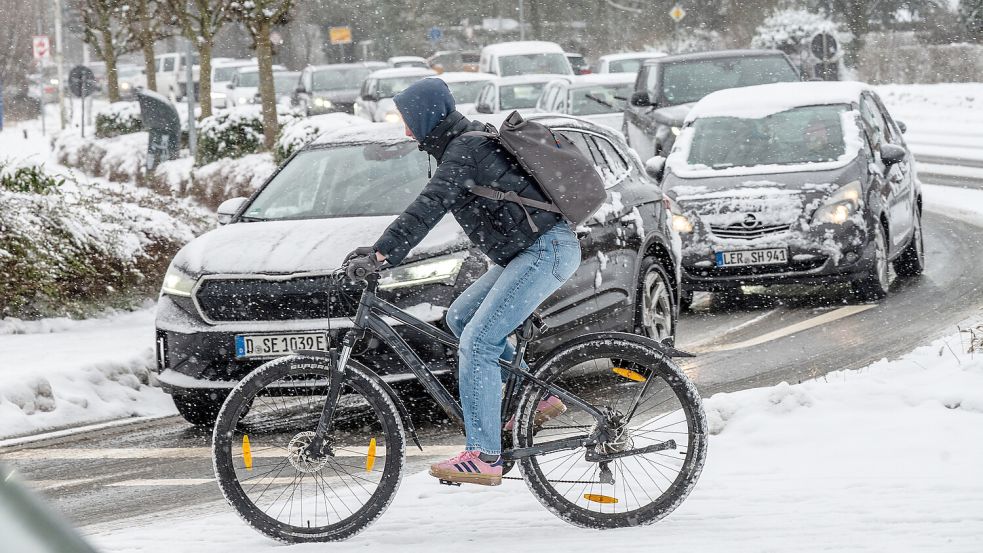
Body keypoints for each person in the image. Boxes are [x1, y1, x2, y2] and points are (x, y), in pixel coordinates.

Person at [344, 78, 582, 486]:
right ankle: (536, 398)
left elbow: (429, 204)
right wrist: (381, 249)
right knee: (461, 316)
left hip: (545, 251)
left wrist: (382, 253)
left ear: (426, 116)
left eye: (408, 121)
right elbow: (432, 203)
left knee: (480, 341)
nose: (405, 131)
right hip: (531, 251)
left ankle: (484, 455)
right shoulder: (460, 146)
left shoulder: (464, 150)